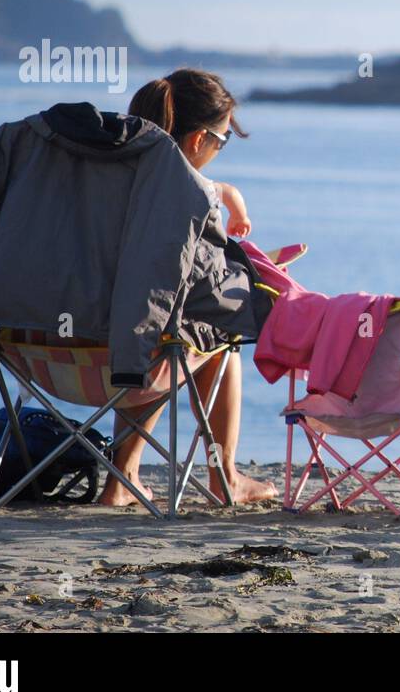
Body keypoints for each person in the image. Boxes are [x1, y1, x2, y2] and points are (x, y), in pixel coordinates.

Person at [100, 68, 276, 507]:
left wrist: (221, 189)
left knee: (155, 328)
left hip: (49, 352)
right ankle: (225, 477)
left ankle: (120, 480)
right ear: (198, 141)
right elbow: (209, 292)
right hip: (131, 359)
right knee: (214, 333)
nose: (220, 150)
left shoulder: (96, 178)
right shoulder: (188, 204)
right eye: (222, 140)